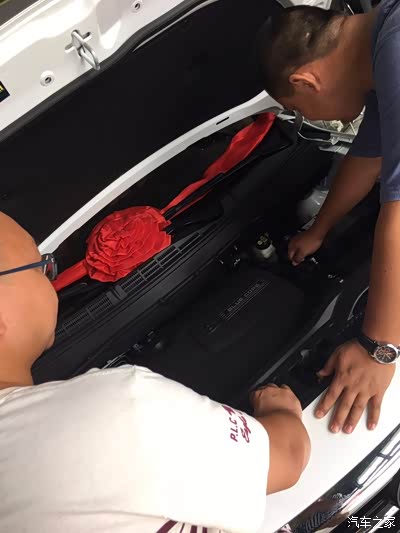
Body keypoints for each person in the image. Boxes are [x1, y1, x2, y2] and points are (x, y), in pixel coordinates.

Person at [0, 212, 310, 533]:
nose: (50, 278)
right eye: (38, 267)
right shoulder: (118, 410)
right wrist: (282, 411)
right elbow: (289, 455)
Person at [256, 0, 400, 436]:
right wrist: (319, 230)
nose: (306, 119)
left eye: (298, 109)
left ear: (306, 81)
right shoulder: (382, 47)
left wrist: (379, 348)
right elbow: (368, 158)